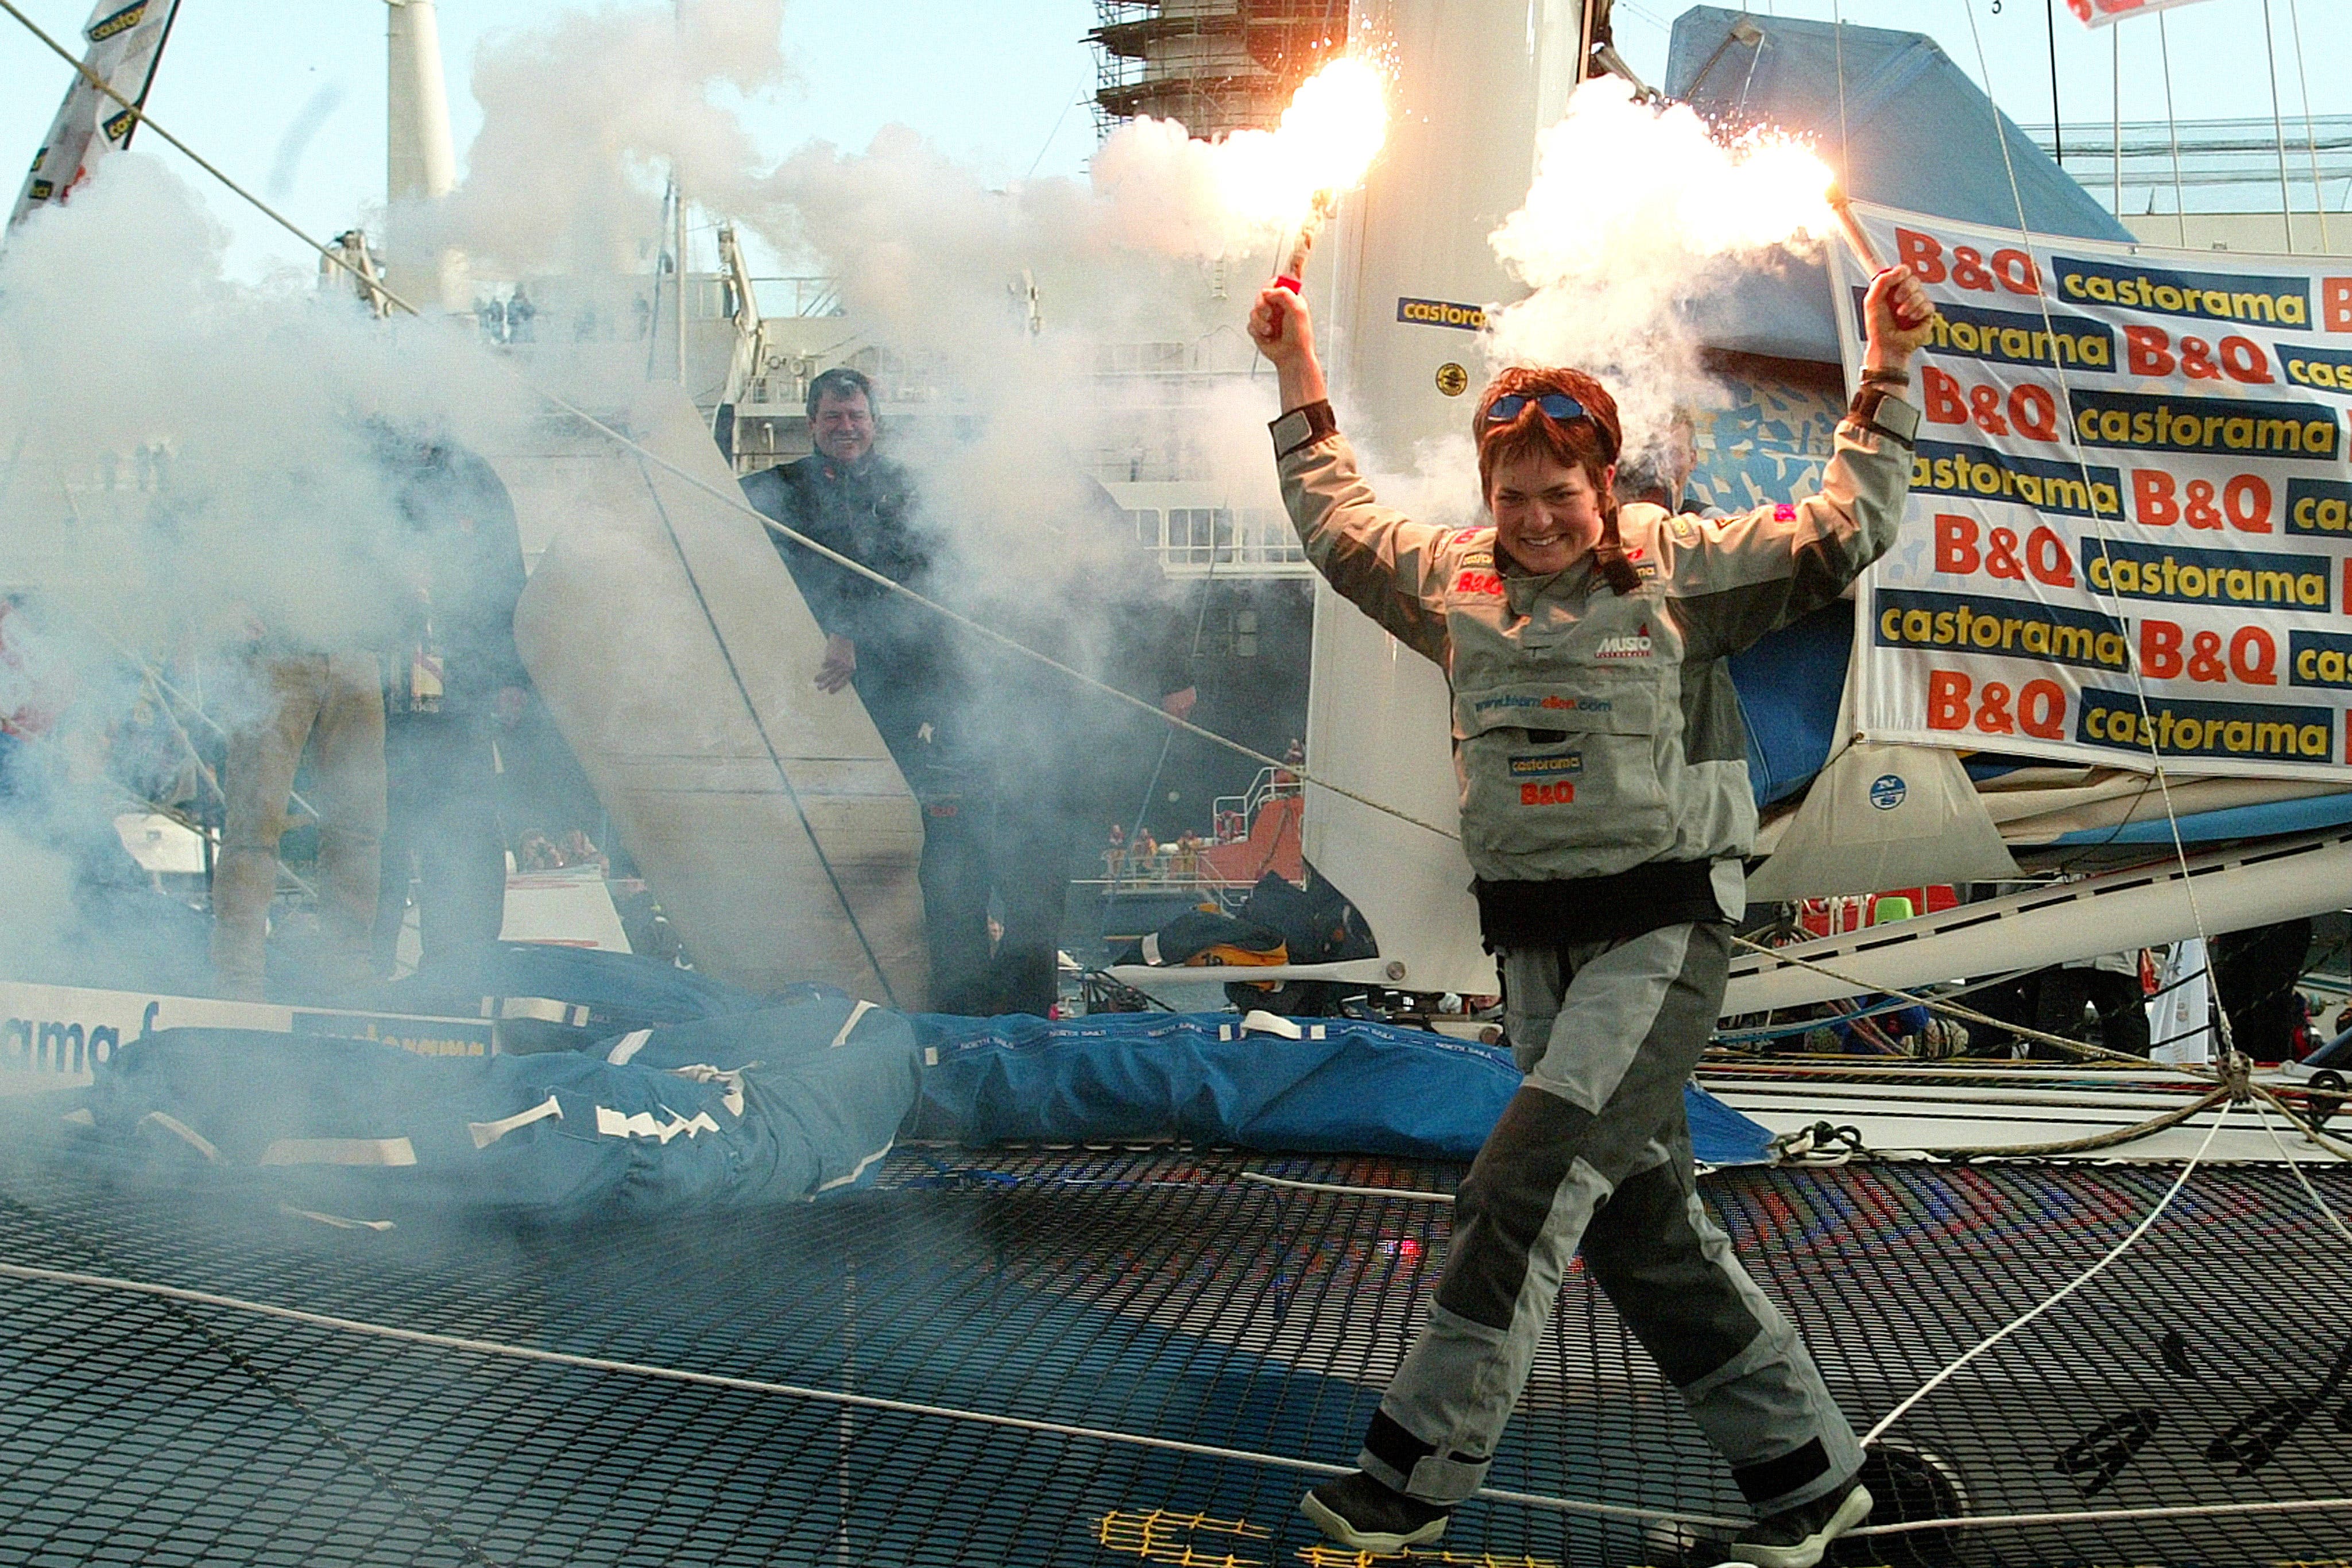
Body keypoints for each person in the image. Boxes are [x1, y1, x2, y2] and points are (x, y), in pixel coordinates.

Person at [1248, 262, 1933, 1568]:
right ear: (1486, 494)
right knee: (1644, 1232)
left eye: (1561, 496)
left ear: (1602, 485)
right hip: (1536, 960)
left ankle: (1409, 1485)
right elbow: (1338, 529)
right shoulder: (1453, 579)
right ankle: (1812, 1484)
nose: (1539, 519)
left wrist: (1888, 371)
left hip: (1660, 940)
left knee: (1522, 1187)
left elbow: (1845, 530)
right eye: (1513, 497)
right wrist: (1297, 377)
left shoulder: (1677, 574)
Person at [742, 366, 987, 1008]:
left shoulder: (907, 489)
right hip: (820, 693)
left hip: (909, 686)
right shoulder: (781, 489)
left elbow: (908, 571)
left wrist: (851, 630)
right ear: (813, 424)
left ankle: (947, 984)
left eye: (856, 418)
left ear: (874, 423)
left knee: (928, 839)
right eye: (833, 418)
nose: (845, 428)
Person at [369, 433, 531, 977]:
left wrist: (511, 677)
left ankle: (459, 971)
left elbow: (509, 579)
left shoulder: (474, 477)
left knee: (464, 832)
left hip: (459, 688)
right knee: (377, 838)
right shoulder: (361, 471)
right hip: (377, 695)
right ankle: (366, 972)